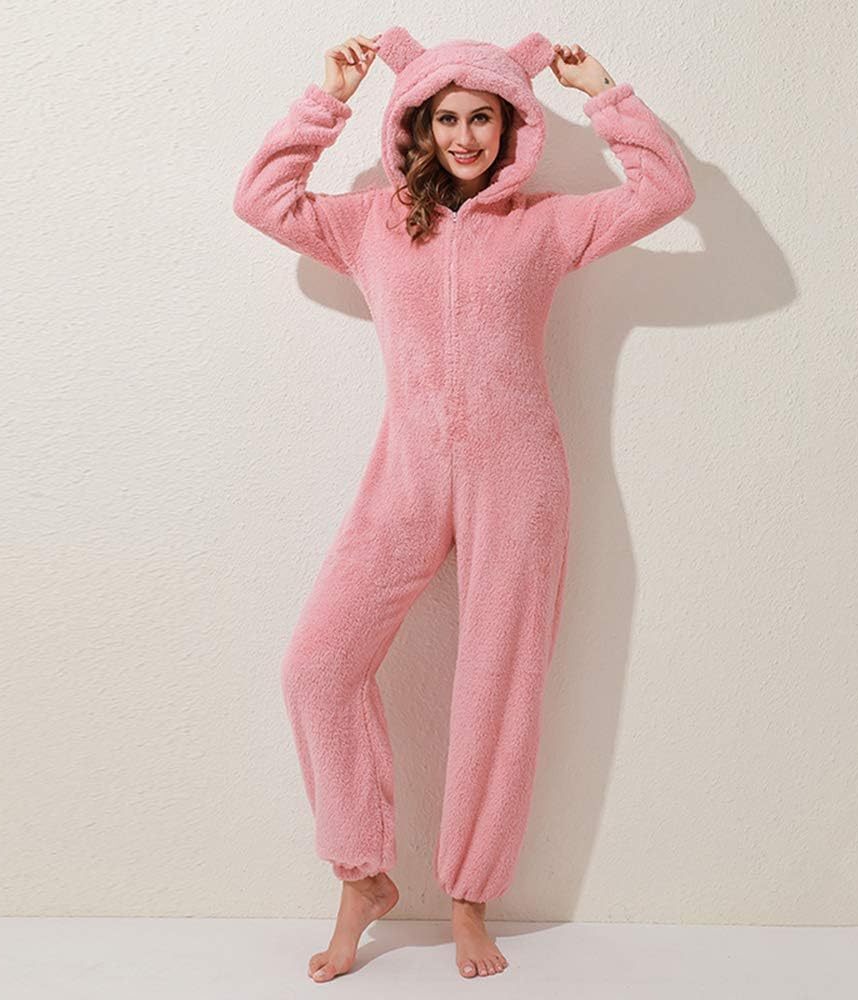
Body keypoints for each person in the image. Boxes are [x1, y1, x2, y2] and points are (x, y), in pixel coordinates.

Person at [233, 26, 695, 983]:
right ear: (418, 125)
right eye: (446, 117)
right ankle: (362, 875)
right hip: (405, 471)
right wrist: (327, 101)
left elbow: (664, 192)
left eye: (483, 117)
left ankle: (470, 902)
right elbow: (262, 199)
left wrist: (606, 94)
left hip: (519, 476)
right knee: (317, 667)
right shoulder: (372, 222)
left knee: (497, 685)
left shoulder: (546, 225)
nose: (465, 136)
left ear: (512, 125)